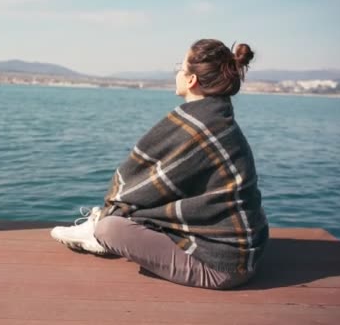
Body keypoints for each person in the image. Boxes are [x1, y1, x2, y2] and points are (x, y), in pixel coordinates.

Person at [50, 39, 269, 290]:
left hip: (222, 267)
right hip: (242, 251)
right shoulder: (217, 120)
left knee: (111, 229)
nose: (177, 72)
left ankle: (99, 232)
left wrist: (114, 212)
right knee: (141, 203)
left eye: (181, 66)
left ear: (191, 80)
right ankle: (102, 225)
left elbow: (144, 187)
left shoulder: (202, 126)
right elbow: (170, 187)